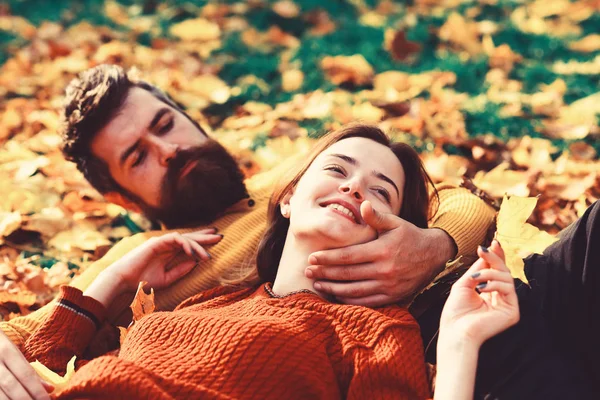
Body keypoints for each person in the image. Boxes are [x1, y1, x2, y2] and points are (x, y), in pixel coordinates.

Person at [12, 125, 519, 399]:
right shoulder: (207, 298)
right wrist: (116, 277)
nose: (354, 185)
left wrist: (458, 342)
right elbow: (37, 364)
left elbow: (462, 200)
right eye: (338, 168)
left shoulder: (373, 332)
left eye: (380, 190)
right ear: (289, 195)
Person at [1, 66, 493, 343]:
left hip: (443, 315)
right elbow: (26, 332)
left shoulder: (292, 184)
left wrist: (435, 244)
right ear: (119, 197)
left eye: (166, 125)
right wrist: (118, 286)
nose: (169, 150)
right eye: (138, 157)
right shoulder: (139, 256)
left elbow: (458, 201)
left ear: (187, 116)